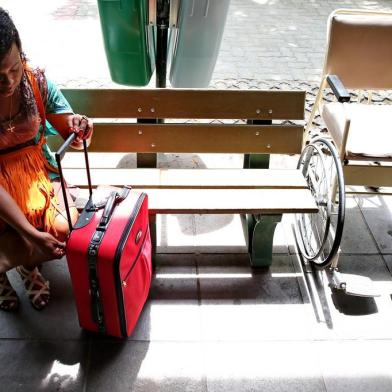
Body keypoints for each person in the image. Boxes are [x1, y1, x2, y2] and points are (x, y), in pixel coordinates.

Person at [0, 8, 93, 311]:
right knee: (21, 230)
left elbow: (74, 132)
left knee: (66, 230)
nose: (8, 81)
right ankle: (16, 265)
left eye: (13, 68)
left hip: (39, 174)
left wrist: (80, 129)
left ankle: (20, 262)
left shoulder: (34, 80)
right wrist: (31, 235)